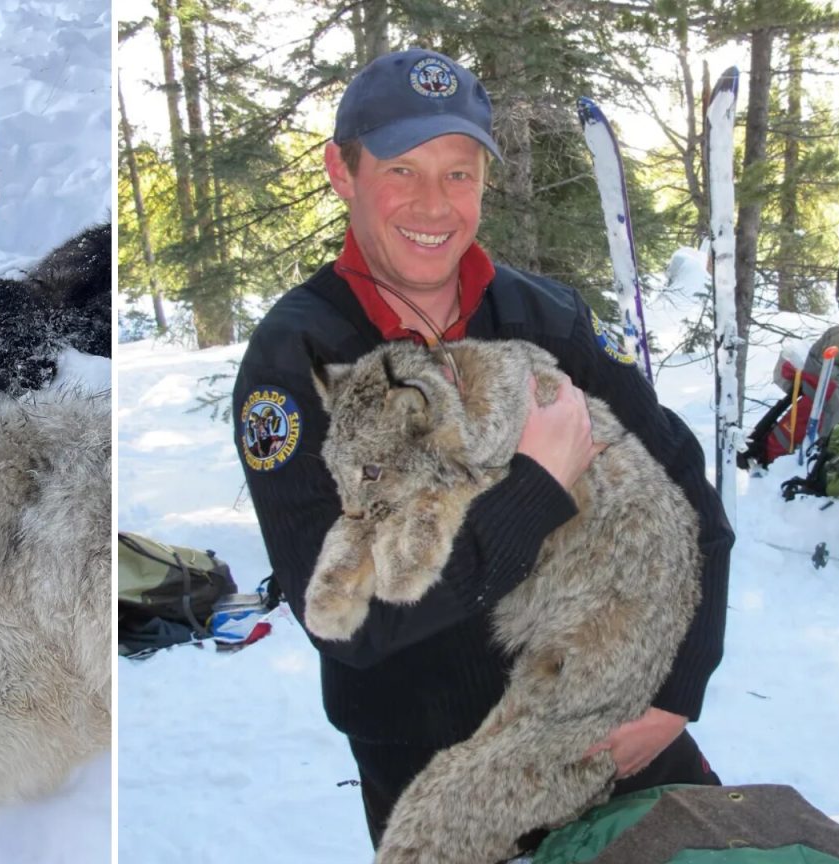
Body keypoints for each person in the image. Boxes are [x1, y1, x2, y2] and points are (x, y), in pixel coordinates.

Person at [231, 50, 733, 851]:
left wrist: (677, 689)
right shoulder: (298, 364)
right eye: (402, 168)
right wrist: (537, 482)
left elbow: (687, 489)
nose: (435, 203)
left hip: (609, 710)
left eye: (459, 173)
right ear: (342, 171)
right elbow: (352, 628)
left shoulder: (547, 317)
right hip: (431, 743)